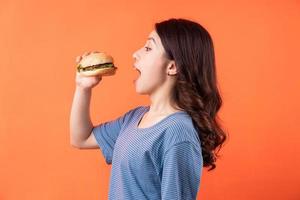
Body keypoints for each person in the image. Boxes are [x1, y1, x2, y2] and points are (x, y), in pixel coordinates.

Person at [70, 18, 227, 200]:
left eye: (148, 48)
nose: (135, 54)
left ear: (172, 66)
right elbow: (81, 138)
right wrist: (83, 87)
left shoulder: (178, 132)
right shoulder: (134, 118)